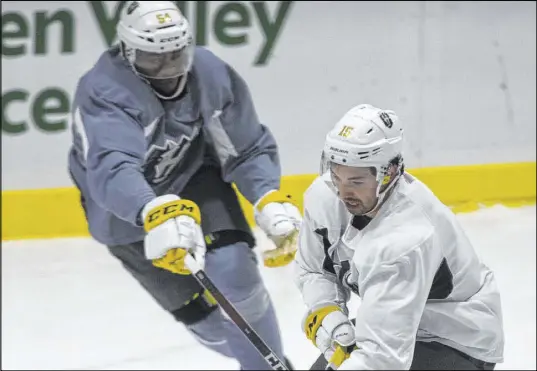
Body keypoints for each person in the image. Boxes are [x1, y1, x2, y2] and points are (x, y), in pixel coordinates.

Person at [67, 1, 301, 369]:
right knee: (210, 327)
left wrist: (266, 194)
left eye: (176, 55)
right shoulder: (104, 91)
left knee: (237, 279)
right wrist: (152, 211)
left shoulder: (207, 71)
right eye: (152, 59)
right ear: (127, 51)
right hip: (126, 217)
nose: (168, 69)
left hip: (194, 180)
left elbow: (244, 145)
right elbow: (113, 168)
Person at [293, 104, 505, 370]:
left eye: (357, 181)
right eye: (337, 176)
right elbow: (313, 268)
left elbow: (382, 362)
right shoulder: (324, 196)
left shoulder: (404, 239)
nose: (343, 192)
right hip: (394, 321)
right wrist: (328, 310)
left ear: (390, 173)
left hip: (454, 336)